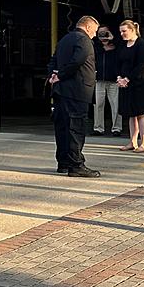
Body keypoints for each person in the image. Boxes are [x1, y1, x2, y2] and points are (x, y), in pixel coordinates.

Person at [47, 15, 100, 178]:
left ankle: (63, 162)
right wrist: (61, 75)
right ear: (88, 27)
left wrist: (52, 76)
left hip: (61, 91)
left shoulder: (64, 40)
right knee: (75, 128)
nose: (95, 35)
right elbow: (78, 61)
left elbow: (53, 60)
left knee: (62, 126)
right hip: (77, 91)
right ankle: (76, 165)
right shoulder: (83, 40)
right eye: (95, 31)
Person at [117, 19, 144, 153]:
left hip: (141, 83)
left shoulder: (142, 45)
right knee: (131, 114)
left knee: (141, 113)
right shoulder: (123, 45)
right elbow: (120, 63)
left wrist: (127, 79)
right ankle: (132, 142)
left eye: (124, 31)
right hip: (127, 83)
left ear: (132, 30)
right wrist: (119, 77)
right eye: (120, 31)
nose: (121, 34)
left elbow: (141, 65)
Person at [93, 26, 122, 136]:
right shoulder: (95, 45)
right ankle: (98, 128)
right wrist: (103, 48)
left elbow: (122, 46)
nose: (102, 35)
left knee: (115, 104)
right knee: (98, 104)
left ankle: (116, 128)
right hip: (99, 79)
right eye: (100, 33)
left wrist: (112, 38)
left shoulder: (116, 45)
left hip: (114, 80)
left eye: (105, 32)